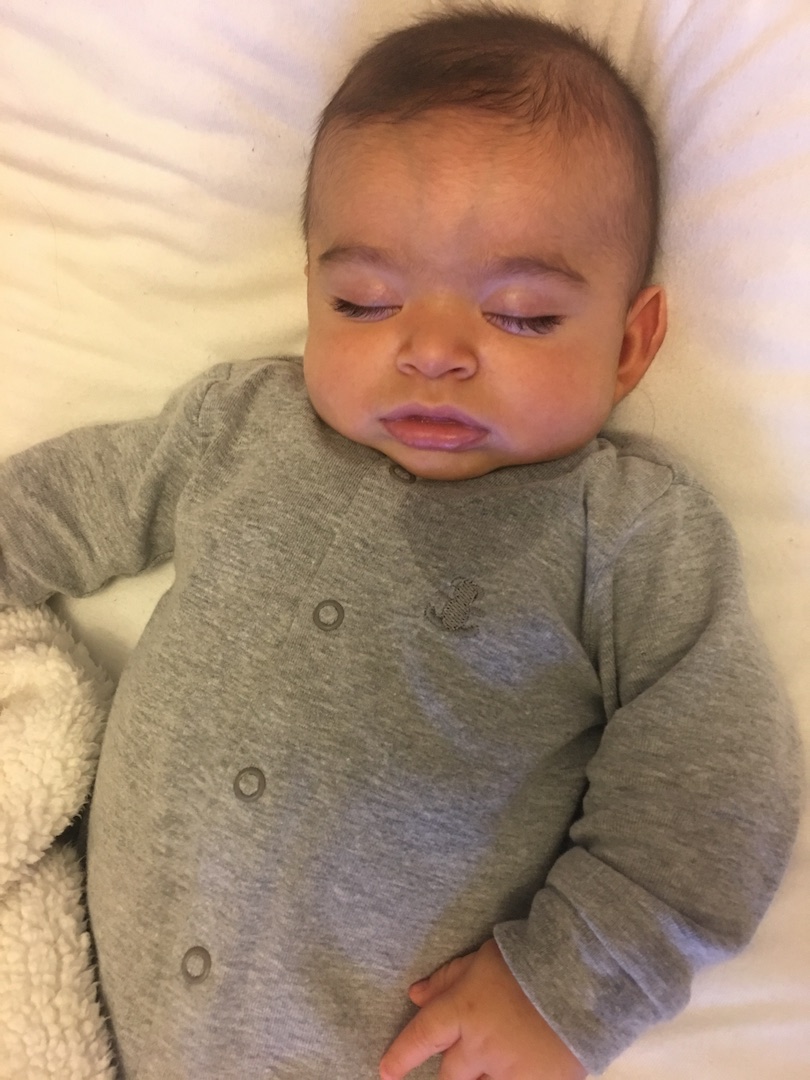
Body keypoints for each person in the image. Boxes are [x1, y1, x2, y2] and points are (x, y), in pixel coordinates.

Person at [0, 5, 800, 1079]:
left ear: (630, 342)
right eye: (364, 301)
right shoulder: (243, 427)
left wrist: (571, 980)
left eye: (521, 315)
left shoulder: (629, 533)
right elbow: (60, 504)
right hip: (92, 1021)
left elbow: (718, 793)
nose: (430, 351)